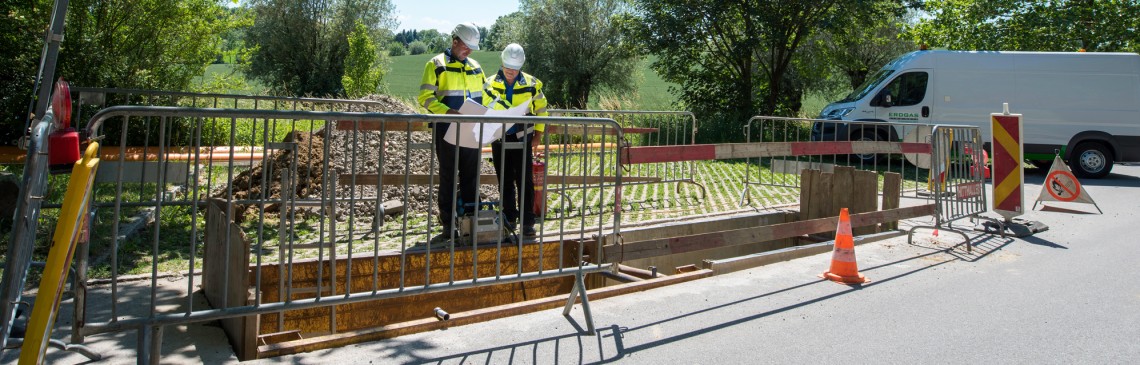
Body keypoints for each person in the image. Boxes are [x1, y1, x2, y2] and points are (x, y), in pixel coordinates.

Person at [417, 22, 486, 237]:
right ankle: (448, 223)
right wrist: (449, 113)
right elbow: (425, 98)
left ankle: (471, 220)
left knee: (471, 176)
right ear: (454, 41)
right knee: (448, 176)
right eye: (466, 46)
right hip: (446, 128)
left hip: (472, 129)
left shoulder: (475, 66)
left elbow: (487, 95)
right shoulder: (436, 64)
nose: (469, 51)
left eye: (472, 48)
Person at [484, 43, 549, 237]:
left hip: (523, 139)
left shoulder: (532, 84)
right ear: (502, 63)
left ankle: (527, 222)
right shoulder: (489, 83)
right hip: (499, 137)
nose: (510, 72)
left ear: (520, 66)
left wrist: (538, 133)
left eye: (514, 69)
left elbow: (542, 109)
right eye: (507, 68)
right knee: (505, 180)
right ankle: (509, 219)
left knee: (525, 180)